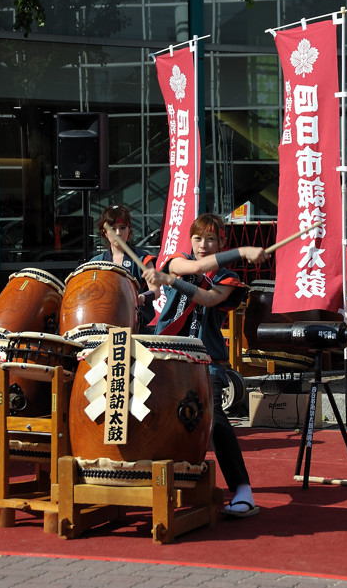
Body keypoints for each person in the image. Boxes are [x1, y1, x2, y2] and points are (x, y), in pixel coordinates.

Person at [144, 212, 268, 519]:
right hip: (167, 354)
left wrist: (171, 281)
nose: (203, 244)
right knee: (152, 415)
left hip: (205, 359)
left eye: (211, 238)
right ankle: (150, 483)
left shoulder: (229, 279)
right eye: (198, 238)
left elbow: (208, 298)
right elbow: (195, 268)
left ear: (222, 241)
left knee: (214, 420)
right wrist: (171, 276)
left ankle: (243, 491)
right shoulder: (176, 261)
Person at [89, 204, 157, 331]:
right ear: (105, 232)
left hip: (136, 325)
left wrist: (142, 297)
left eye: (122, 228)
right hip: (104, 325)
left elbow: (156, 291)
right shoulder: (95, 262)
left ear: (129, 229)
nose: (118, 233)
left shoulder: (142, 259)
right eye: (113, 229)